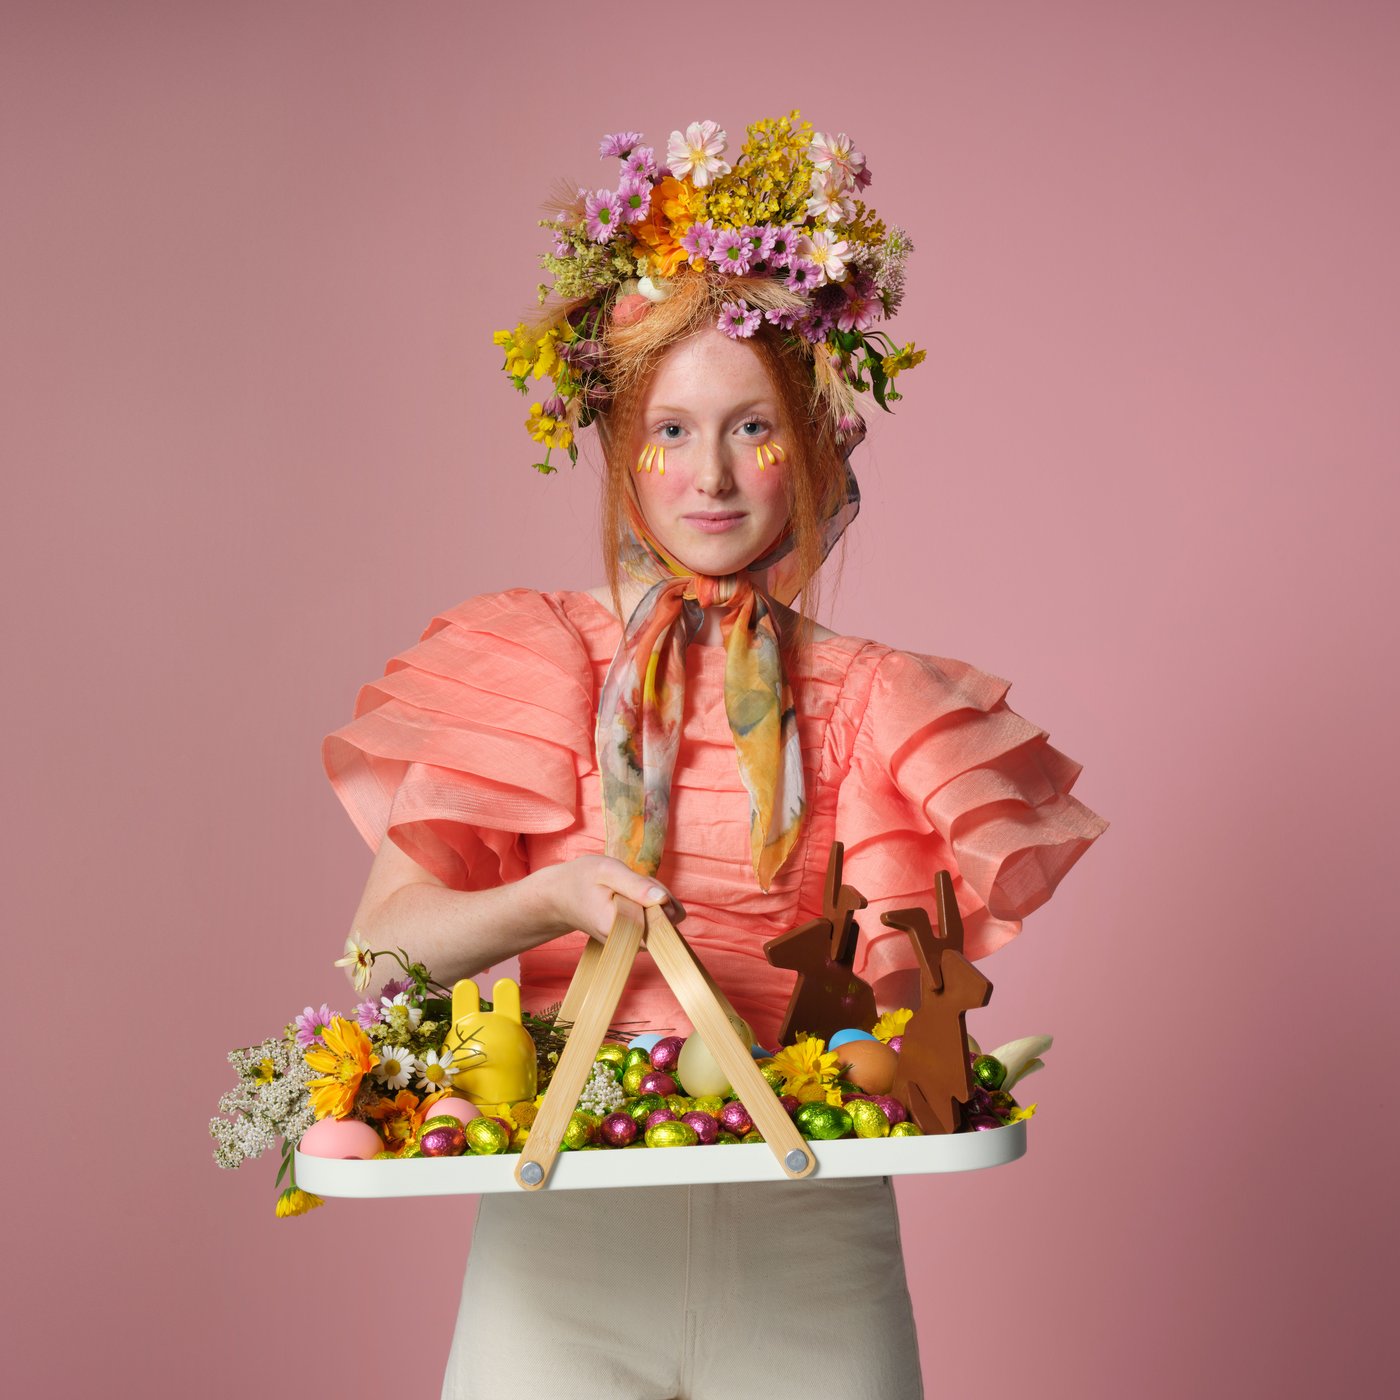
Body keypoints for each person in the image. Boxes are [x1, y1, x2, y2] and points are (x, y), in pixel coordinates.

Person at [322, 115, 1108, 1400]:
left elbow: (896, 1019)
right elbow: (381, 951)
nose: (713, 477)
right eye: (671, 431)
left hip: (810, 1252)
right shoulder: (531, 659)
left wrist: (916, 1043)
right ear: (619, 449)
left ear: (810, 450)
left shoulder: (873, 703)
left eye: (750, 429)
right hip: (555, 1253)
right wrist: (553, 897)